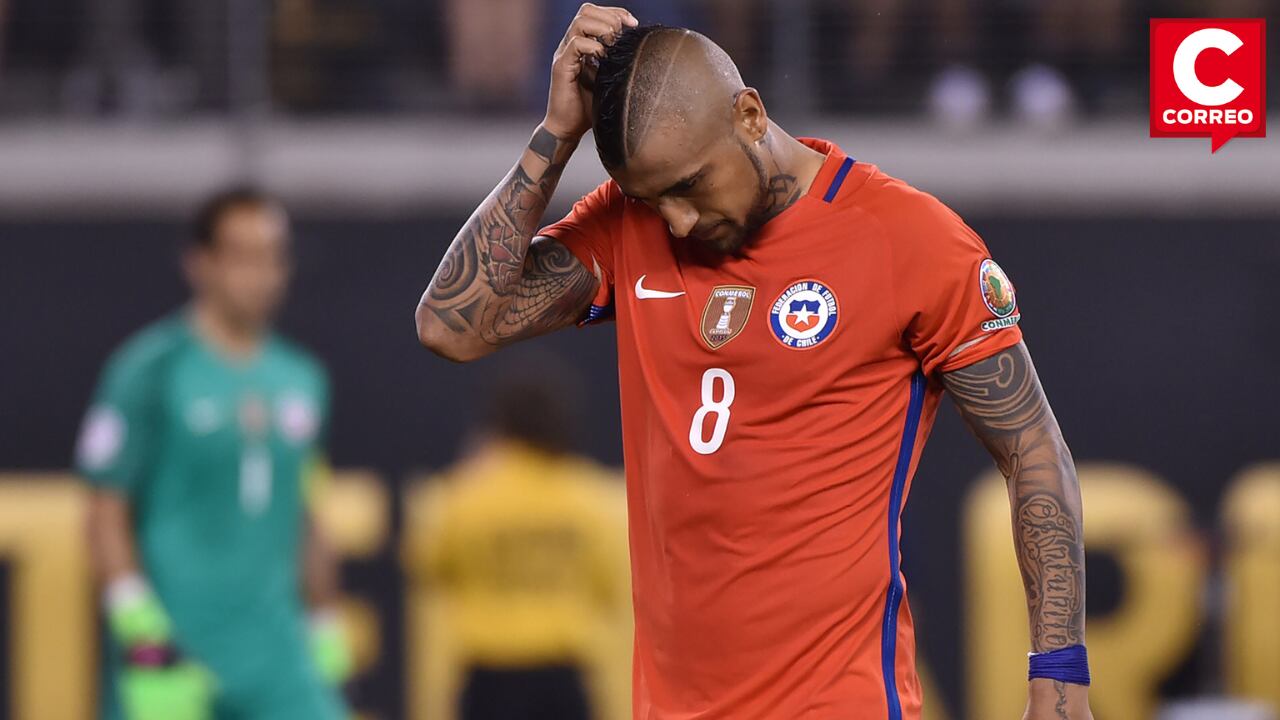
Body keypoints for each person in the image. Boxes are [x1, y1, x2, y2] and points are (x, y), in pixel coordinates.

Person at [414, 6, 1092, 719]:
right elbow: (452, 325)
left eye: (690, 185)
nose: (675, 219)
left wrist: (1060, 671)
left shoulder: (909, 240)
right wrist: (556, 134)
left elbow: (1032, 449)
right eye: (653, 197)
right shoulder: (631, 223)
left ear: (748, 113)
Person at [76, 188, 353, 720]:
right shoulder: (148, 370)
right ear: (200, 263)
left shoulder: (302, 379)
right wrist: (139, 626)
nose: (263, 274)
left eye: (274, 256)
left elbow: (304, 507)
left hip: (276, 660)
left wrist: (324, 618)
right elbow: (104, 509)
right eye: (244, 256)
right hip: (178, 652)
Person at [407, 372, 630, 720]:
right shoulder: (588, 497)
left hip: (490, 680)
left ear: (498, 426)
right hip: (561, 678)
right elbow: (607, 585)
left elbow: (430, 565)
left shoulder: (466, 496)